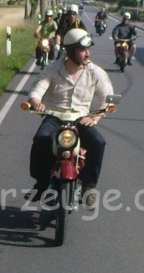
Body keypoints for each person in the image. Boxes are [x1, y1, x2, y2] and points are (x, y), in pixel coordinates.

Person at [26, 27, 114, 210]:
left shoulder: (95, 72)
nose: (87, 54)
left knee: (98, 143)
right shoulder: (53, 69)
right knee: (41, 140)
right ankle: (41, 183)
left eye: (88, 49)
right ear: (70, 51)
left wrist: (96, 116)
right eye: (82, 50)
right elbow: (38, 87)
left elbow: (107, 97)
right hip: (55, 116)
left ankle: (89, 187)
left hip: (81, 119)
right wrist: (36, 101)